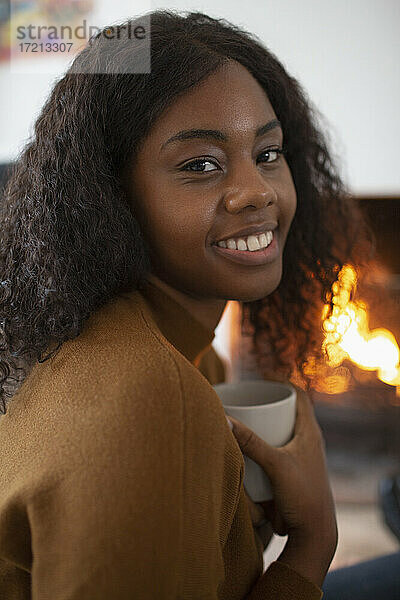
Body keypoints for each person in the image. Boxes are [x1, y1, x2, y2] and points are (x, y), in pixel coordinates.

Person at [0, 8, 392, 599]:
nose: (257, 190)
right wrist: (312, 545)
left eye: (267, 153)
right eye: (200, 165)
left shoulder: (176, 352)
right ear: (109, 196)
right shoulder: (149, 399)